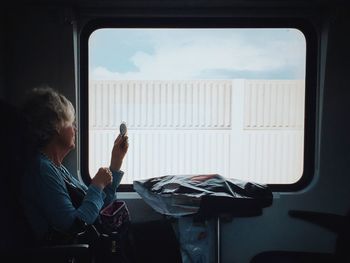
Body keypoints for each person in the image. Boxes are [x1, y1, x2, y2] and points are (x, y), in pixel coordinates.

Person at [19, 86, 129, 243]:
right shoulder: (42, 169)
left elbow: (98, 209)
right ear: (55, 126)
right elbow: (76, 226)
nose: (75, 128)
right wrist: (96, 186)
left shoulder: (58, 168)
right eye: (70, 122)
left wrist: (115, 163)